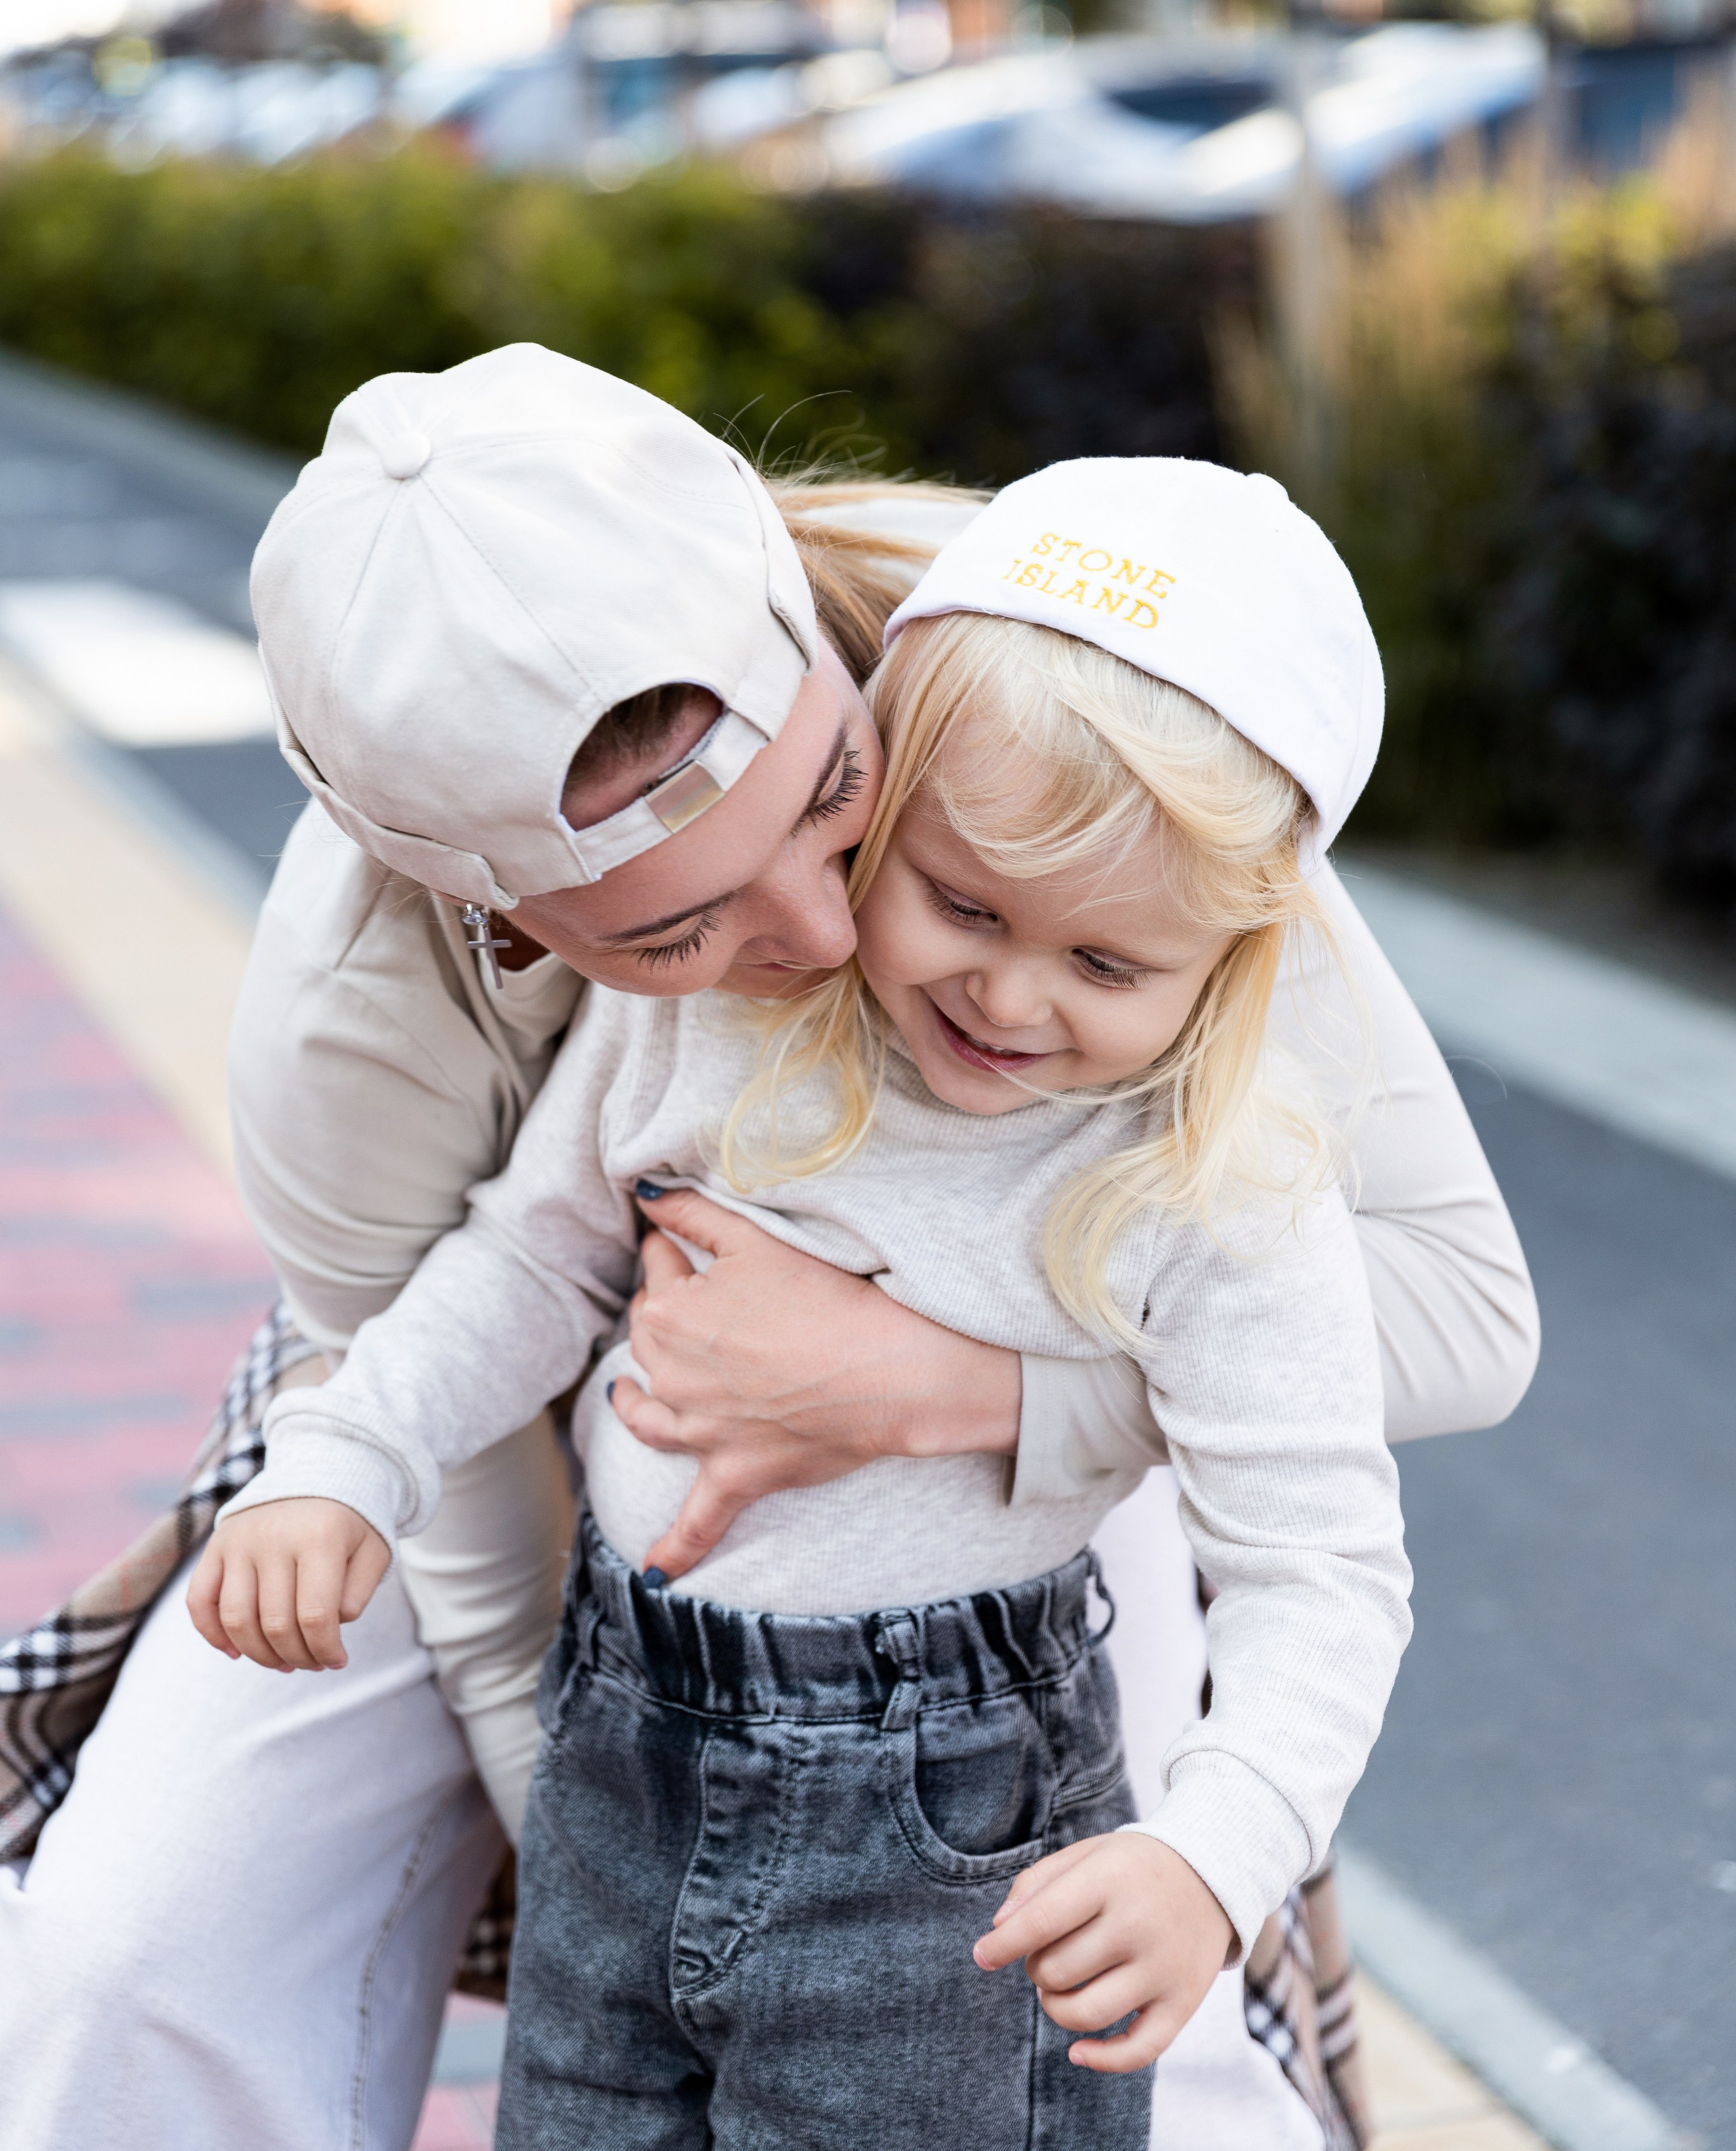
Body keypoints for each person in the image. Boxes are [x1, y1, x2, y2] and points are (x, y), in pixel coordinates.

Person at [0, 346, 1535, 2151]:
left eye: (838, 798)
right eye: (674, 927)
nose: (827, 938)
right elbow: (496, 1338)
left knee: (1148, 2061)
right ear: (501, 911)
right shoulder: (371, 1030)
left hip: (1002, 1494)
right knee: (124, 1965)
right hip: (505, 1480)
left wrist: (948, 1392)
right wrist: (606, 1848)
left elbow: (1416, 1373)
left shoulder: (1100, 707)